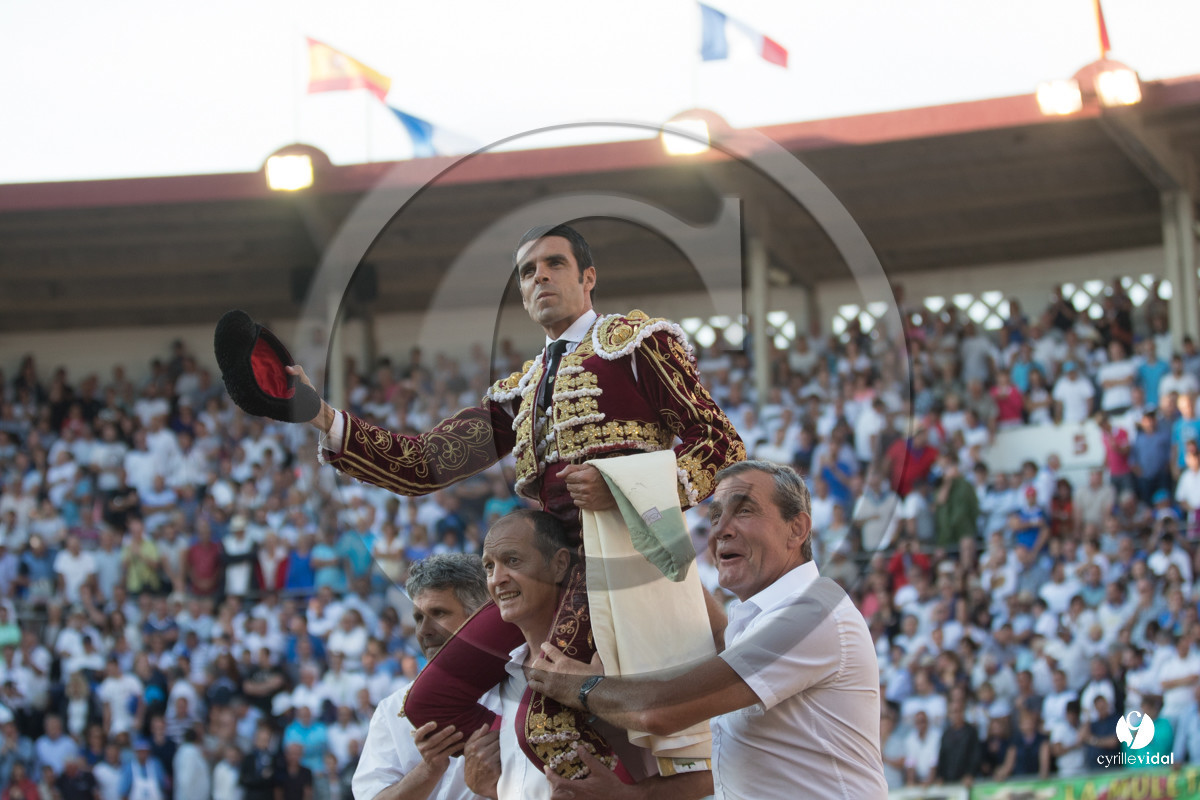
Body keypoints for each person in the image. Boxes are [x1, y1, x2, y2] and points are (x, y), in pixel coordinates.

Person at [289, 224, 744, 778]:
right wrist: (320, 414)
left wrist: (622, 488)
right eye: (527, 272)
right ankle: (526, 772)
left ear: (588, 277)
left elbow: (721, 445)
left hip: (624, 557)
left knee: (549, 722)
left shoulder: (637, 345)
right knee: (430, 703)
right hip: (544, 565)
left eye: (553, 264)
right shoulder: (522, 389)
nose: (540, 277)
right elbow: (424, 462)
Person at [527, 461, 887, 799]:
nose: (721, 529)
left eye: (744, 510)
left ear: (798, 529)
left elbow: (665, 710)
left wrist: (581, 686)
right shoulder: (763, 616)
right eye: (715, 516)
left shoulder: (813, 612)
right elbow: (714, 636)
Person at [466, 510, 712, 800]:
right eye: (489, 567)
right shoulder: (502, 679)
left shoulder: (611, 659)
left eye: (513, 561)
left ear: (559, 565)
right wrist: (492, 790)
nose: (498, 578)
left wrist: (626, 795)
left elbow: (706, 772)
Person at [351, 554, 498, 800]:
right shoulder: (392, 709)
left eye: (438, 613)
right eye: (418, 618)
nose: (423, 631)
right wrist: (430, 768)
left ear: (478, 618)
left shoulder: (523, 687)